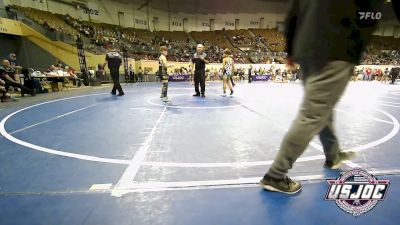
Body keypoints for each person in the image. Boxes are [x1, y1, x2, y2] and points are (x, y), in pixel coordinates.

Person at [259, 0, 398, 194]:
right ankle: (275, 175)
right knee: (313, 115)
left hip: (307, 50)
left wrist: (291, 51)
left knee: (323, 107)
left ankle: (333, 155)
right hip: (337, 50)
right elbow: (367, 14)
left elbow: (293, 15)